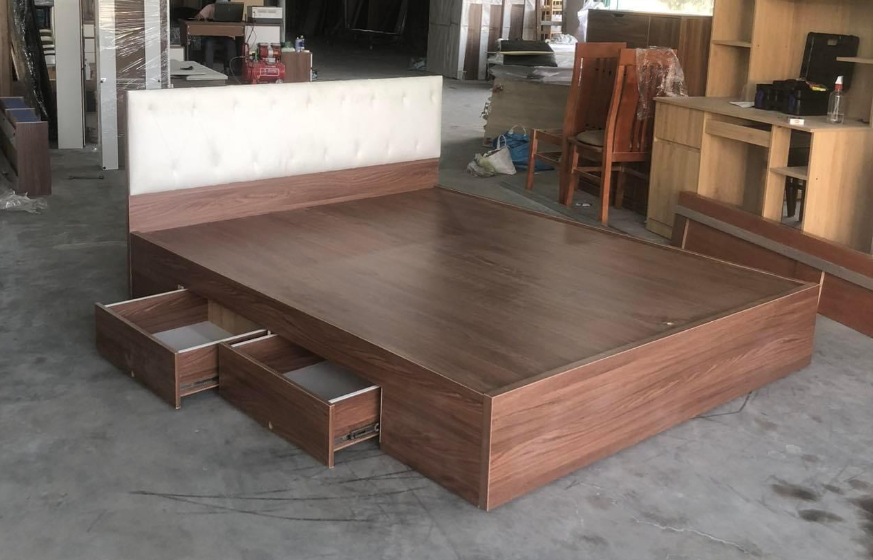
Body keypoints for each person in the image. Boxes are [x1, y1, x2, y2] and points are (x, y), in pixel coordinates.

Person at [195, 0, 238, 71]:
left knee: (231, 43)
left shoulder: (231, 8)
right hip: (212, 35)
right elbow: (197, 17)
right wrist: (200, 17)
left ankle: (232, 70)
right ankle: (209, 70)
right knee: (209, 43)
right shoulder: (210, 7)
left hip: (225, 35)